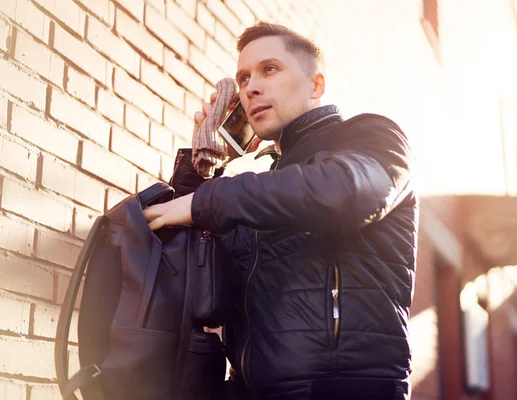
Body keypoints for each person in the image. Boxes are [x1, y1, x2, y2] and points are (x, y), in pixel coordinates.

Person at [143, 22, 418, 400]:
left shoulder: (372, 138)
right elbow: (196, 270)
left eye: (269, 69)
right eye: (243, 78)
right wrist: (200, 169)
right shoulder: (260, 190)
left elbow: (343, 192)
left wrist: (206, 200)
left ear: (316, 85)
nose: (251, 87)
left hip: (344, 390)